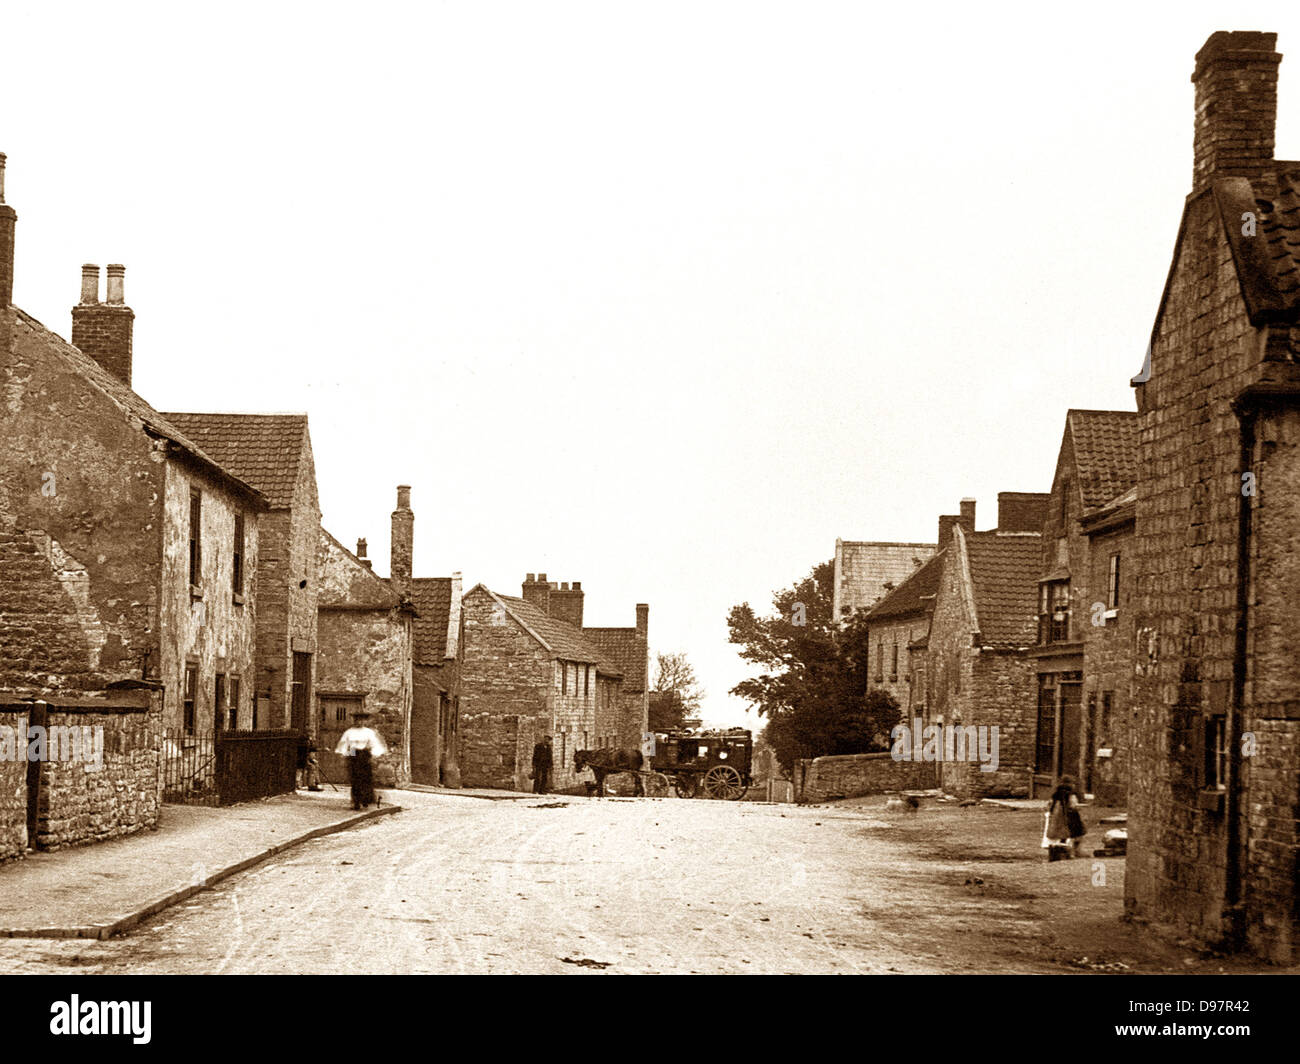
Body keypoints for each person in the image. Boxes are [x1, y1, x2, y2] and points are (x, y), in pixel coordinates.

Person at [335, 711, 389, 810]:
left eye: (361, 720)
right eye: (357, 720)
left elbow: (374, 744)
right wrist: (344, 756)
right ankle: (356, 801)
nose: (359, 722)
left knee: (365, 779)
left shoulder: (368, 732)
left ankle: (365, 800)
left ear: (364, 721)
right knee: (355, 780)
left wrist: (373, 755)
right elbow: (344, 745)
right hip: (353, 754)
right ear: (354, 721)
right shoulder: (349, 732)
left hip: (364, 755)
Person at [1042, 774, 1086, 860]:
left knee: (1061, 836)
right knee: (1074, 834)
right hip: (1069, 815)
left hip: (1056, 817)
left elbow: (1049, 805)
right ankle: (1072, 852)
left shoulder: (1056, 794)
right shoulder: (1071, 794)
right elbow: (1073, 805)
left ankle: (1058, 850)